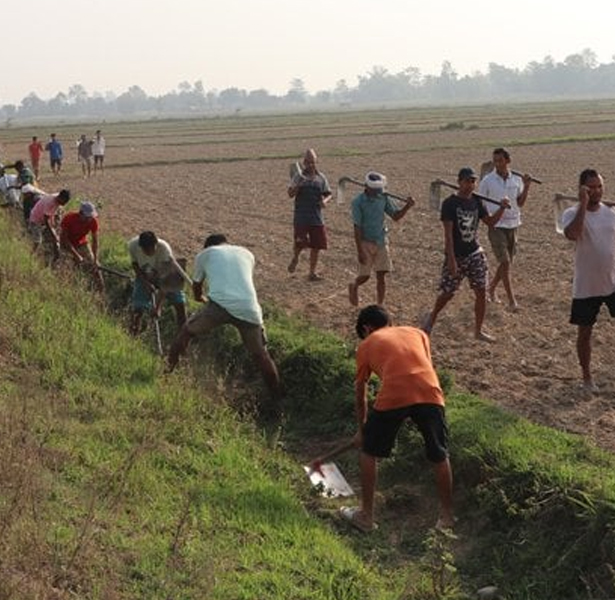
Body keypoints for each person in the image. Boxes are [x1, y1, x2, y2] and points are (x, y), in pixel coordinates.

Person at [338, 304, 454, 533]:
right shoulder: (418, 333)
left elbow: (361, 393)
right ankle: (448, 518)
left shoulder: (367, 344)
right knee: (439, 453)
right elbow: (420, 368)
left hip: (395, 392)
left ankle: (366, 517)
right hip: (431, 393)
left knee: (369, 452)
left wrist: (362, 431)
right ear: (389, 322)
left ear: (367, 328)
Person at [561, 169, 615, 394]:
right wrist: (582, 204)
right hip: (587, 284)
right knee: (585, 331)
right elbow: (573, 234)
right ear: (582, 189)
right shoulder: (571, 213)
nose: (597, 191)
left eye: (600, 186)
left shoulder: (613, 212)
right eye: (591, 187)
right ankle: (587, 377)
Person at [167, 234, 281, 409]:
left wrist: (198, 297)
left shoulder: (205, 254)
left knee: (186, 332)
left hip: (219, 305)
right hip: (249, 309)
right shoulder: (247, 253)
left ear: (208, 246)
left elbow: (196, 285)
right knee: (261, 355)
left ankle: (168, 373)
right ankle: (276, 398)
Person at [420, 167, 509, 341]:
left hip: (474, 252)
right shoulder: (450, 204)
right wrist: (451, 260)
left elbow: (490, 222)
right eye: (467, 181)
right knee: (447, 293)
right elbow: (448, 234)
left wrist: (502, 208)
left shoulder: (477, 201)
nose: (470, 185)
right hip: (456, 255)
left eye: (473, 181)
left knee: (481, 291)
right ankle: (432, 318)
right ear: (459, 182)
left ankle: (478, 331)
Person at [477, 148, 533, 310]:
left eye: (500, 160)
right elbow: (481, 202)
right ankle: (511, 301)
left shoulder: (517, 180)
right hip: (496, 225)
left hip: (513, 224)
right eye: (495, 161)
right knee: (505, 262)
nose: (497, 164)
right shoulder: (488, 180)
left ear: (508, 161)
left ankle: (492, 288)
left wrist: (527, 186)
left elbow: (520, 202)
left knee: (506, 265)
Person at [348, 171, 415, 306]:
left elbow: (395, 216)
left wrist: (407, 206)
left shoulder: (383, 198)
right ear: (367, 187)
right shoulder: (358, 202)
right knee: (365, 276)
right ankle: (354, 285)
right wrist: (360, 250)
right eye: (376, 189)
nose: (379, 191)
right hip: (365, 241)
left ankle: (380, 305)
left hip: (381, 240)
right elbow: (357, 228)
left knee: (381, 275)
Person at [127, 231, 189, 335]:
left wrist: (157, 307)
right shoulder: (132, 245)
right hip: (146, 274)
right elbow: (135, 265)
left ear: (156, 244)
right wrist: (145, 282)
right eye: (146, 250)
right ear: (140, 247)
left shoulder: (164, 249)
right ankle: (133, 334)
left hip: (167, 274)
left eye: (152, 249)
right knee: (138, 306)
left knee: (180, 303)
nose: (150, 252)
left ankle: (183, 335)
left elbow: (166, 282)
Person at [286, 148, 332, 281]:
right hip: (301, 216)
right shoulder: (298, 177)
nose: (311, 165)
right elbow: (290, 194)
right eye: (308, 162)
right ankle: (295, 258)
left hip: (316, 217)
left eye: (313, 162)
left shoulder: (321, 178)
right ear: (304, 162)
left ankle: (312, 272)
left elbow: (328, 193)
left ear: (316, 162)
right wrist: (298, 186)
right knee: (300, 243)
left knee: (316, 246)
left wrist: (324, 201)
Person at [60, 201, 106, 290]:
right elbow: (64, 239)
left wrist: (95, 259)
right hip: (67, 245)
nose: (90, 219)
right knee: (67, 269)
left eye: (91, 216)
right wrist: (76, 255)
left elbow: (95, 241)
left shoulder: (93, 221)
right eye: (88, 217)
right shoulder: (69, 218)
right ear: (81, 214)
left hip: (82, 244)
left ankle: (101, 290)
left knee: (96, 267)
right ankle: (69, 289)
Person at [28, 188, 72, 261]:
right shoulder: (50, 202)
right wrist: (53, 234)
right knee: (38, 241)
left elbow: (52, 215)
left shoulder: (58, 199)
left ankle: (55, 257)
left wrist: (53, 228)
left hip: (42, 219)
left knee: (52, 236)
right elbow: (47, 220)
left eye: (66, 202)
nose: (64, 204)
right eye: (64, 202)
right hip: (35, 220)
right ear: (60, 197)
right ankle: (30, 256)